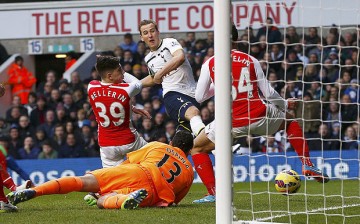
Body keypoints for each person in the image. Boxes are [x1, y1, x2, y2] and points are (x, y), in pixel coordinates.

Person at [191, 49, 330, 203]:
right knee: (290, 122)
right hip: (259, 115)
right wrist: (285, 104)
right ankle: (307, 164)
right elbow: (269, 93)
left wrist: (219, 86)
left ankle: (214, 193)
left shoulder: (210, 63)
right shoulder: (250, 59)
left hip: (229, 122)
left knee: (197, 148)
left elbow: (199, 96)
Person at [8, 130, 194, 210]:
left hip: (139, 171)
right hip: (154, 192)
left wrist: (107, 182)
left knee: (82, 181)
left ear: (172, 142)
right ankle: (122, 199)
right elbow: (174, 201)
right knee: (103, 201)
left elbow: (130, 161)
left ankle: (34, 190)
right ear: (189, 151)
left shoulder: (158, 146)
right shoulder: (189, 172)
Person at [88, 55, 150, 167]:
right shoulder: (126, 89)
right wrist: (125, 73)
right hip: (129, 142)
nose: (122, 73)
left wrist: (131, 108)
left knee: (113, 179)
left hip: (106, 146)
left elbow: (107, 101)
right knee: (153, 156)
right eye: (119, 70)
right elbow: (138, 83)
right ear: (110, 76)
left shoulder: (91, 86)